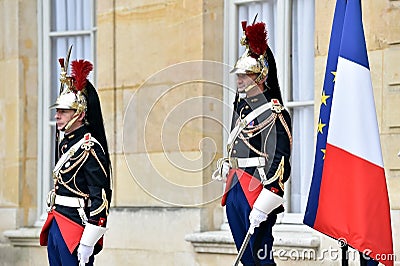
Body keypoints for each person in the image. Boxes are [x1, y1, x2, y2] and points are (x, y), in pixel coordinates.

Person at [213, 19, 292, 265]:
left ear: (260, 77)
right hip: (236, 184)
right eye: (238, 75)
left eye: (245, 76)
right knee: (247, 258)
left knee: (261, 258)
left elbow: (280, 158)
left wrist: (269, 197)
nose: (239, 80)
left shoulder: (274, 111)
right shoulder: (243, 108)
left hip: (258, 189)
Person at [40, 57, 112, 266]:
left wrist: (89, 241)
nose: (57, 116)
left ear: (79, 114)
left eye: (63, 111)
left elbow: (100, 198)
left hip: (75, 227)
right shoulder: (67, 143)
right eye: (57, 110)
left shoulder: (89, 147)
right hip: (57, 221)